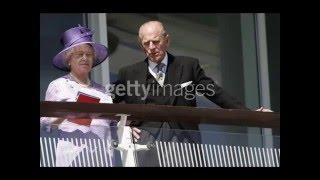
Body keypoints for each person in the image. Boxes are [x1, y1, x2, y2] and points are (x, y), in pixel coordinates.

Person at [112, 21, 272, 166]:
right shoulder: (129, 73)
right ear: (141, 46)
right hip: (146, 142)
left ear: (167, 40)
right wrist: (122, 125)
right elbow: (108, 101)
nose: (152, 47)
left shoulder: (188, 65)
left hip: (184, 139)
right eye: (146, 43)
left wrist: (249, 114)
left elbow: (215, 93)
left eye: (156, 41)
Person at [40, 25, 116, 166]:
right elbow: (45, 127)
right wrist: (67, 114)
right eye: (79, 54)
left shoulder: (103, 91)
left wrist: (128, 125)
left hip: (103, 159)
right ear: (69, 59)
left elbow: (113, 126)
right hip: (73, 158)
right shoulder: (58, 85)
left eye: (88, 54)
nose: (84, 58)